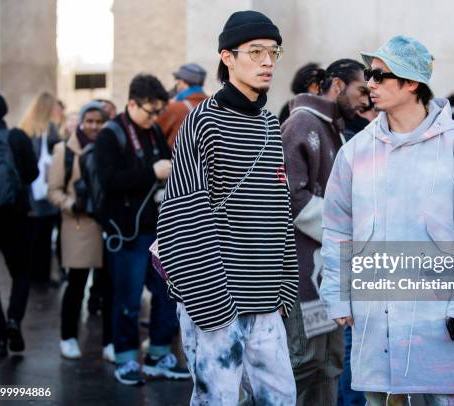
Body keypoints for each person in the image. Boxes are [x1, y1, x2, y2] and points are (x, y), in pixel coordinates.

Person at [320, 35, 454, 405]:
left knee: (445, 399)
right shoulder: (356, 152)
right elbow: (337, 227)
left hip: (439, 315)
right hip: (375, 317)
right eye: (370, 74)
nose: (370, 83)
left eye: (380, 75)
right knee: (378, 398)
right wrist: (337, 295)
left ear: (412, 82)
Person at [156, 10, 298, 405]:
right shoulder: (202, 122)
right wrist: (215, 307)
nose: (267, 61)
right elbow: (182, 218)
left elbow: (278, 207)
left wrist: (284, 287)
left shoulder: (271, 124)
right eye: (255, 52)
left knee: (281, 398)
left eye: (273, 52)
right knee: (217, 400)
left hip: (267, 300)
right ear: (227, 57)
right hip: (216, 302)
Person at [281, 58, 368, 405]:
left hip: (328, 277)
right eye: (361, 89)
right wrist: (344, 229)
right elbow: (290, 194)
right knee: (299, 367)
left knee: (327, 368)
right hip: (303, 278)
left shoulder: (334, 129)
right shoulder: (302, 123)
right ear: (336, 85)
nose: (367, 98)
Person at [95, 74, 187, 385]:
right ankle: (125, 359)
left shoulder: (153, 133)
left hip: (157, 228)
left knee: (166, 294)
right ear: (132, 103)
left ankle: (158, 355)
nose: (154, 118)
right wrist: (151, 172)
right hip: (127, 233)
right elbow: (109, 181)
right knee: (128, 299)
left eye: (159, 112)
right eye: (150, 111)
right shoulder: (111, 134)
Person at [47, 101, 113, 362]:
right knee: (75, 285)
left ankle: (110, 341)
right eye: (90, 121)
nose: (94, 126)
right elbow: (53, 191)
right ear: (82, 121)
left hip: (106, 226)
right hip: (78, 225)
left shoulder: (109, 148)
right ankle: (68, 337)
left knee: (109, 288)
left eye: (99, 121)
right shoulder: (64, 150)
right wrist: (72, 204)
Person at [0, 92, 38, 356]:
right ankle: (14, 319)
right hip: (15, 218)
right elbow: (32, 173)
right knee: (21, 274)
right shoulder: (16, 137)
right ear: (4, 111)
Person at [19, 92, 61, 285]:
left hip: (30, 191)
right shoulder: (51, 130)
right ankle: (42, 277)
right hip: (44, 191)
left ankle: (32, 276)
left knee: (33, 238)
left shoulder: (25, 129)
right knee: (43, 238)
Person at [156, 63, 208, 148]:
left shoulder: (174, 108)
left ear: (181, 82)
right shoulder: (215, 104)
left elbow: (154, 134)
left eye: (178, 83)